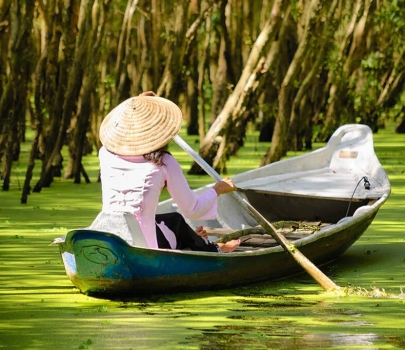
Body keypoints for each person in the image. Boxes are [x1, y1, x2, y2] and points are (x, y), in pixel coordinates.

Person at [95, 92, 241, 253]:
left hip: (107, 236)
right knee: (175, 220)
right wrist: (218, 189)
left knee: (172, 220)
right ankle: (212, 248)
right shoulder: (164, 162)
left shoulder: (105, 154)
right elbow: (193, 208)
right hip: (143, 246)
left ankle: (193, 239)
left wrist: (139, 103)